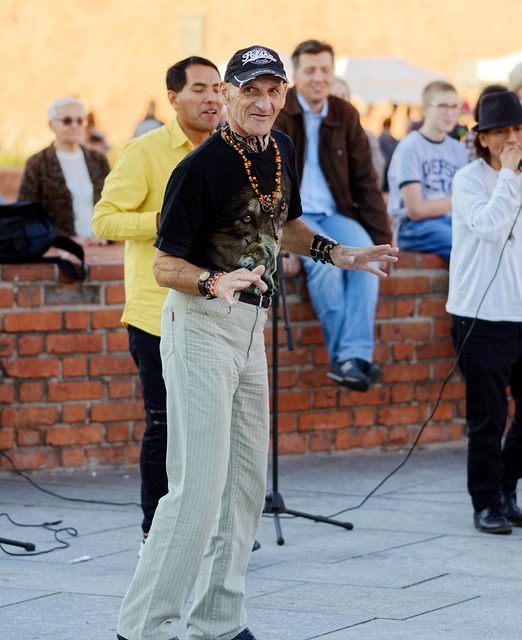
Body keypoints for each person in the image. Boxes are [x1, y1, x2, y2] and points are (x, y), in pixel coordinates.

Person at [115, 44, 398, 640]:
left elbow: (285, 225)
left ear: (284, 95)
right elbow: (164, 267)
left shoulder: (282, 149)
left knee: (245, 487)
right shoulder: (198, 169)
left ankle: (217, 621)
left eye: (274, 90)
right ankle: (143, 628)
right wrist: (215, 279)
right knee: (196, 490)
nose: (264, 101)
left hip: (251, 330)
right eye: (251, 90)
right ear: (226, 92)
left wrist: (339, 253)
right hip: (199, 327)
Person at [93, 57, 223, 555]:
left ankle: (208, 528)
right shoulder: (144, 152)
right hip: (156, 313)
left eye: (217, 88)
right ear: (173, 97)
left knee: (212, 428)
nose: (212, 98)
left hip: (217, 310)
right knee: (165, 424)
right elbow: (105, 220)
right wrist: (173, 219)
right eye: (199, 89)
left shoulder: (231, 152)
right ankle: (156, 531)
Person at [274, 39, 392, 392]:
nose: (318, 77)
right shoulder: (280, 111)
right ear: (295, 74)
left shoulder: (344, 113)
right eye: (310, 70)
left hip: (336, 213)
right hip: (296, 218)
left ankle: (350, 358)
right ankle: (347, 360)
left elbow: (365, 180)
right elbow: (268, 183)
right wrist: (279, 241)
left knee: (367, 260)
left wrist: (382, 235)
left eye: (325, 69)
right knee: (325, 272)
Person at [447, 91, 522, 535]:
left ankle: (506, 487)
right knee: (488, 416)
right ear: (484, 138)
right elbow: (492, 229)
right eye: (503, 132)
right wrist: (510, 175)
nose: (513, 138)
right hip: (481, 315)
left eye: (519, 129)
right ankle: (485, 501)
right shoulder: (469, 180)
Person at [387, 81, 468, 262]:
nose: (450, 113)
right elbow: (416, 209)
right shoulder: (410, 147)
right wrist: (459, 199)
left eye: (454, 106)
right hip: (413, 227)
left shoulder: (458, 150)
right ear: (426, 110)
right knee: (464, 245)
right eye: (442, 106)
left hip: (450, 223)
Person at [17, 97, 109, 245]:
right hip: (58, 248)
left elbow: (111, 203)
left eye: (80, 120)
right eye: (67, 120)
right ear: (51, 125)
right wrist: (67, 240)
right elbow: (26, 213)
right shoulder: (37, 163)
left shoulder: (98, 160)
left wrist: (106, 236)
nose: (74, 125)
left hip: (98, 247)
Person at [330, 76, 386, 189]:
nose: (340, 101)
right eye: (335, 96)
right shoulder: (314, 135)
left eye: (343, 96)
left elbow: (376, 175)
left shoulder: (366, 137)